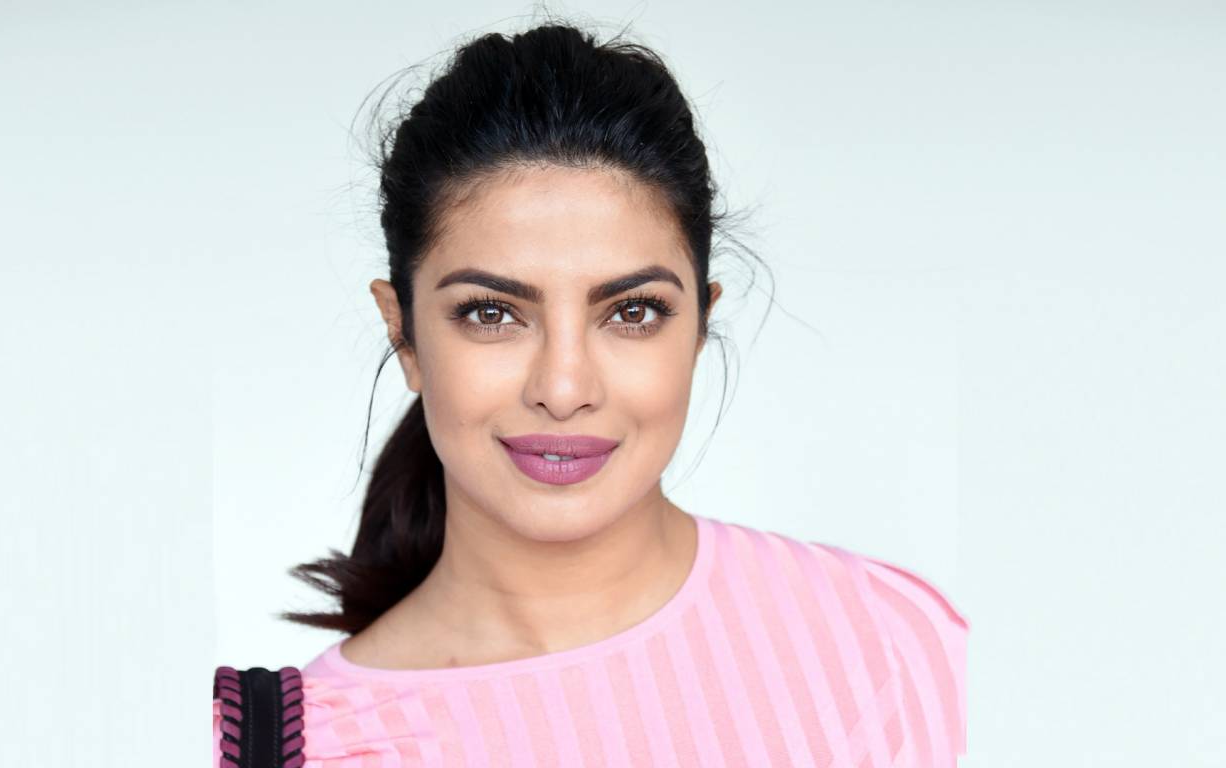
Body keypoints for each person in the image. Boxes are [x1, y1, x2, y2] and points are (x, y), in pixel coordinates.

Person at [213, 20, 967, 768]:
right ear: (402, 332)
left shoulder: (891, 645)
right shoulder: (309, 744)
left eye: (632, 312)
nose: (564, 389)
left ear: (700, 326)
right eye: (491, 313)